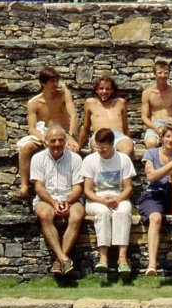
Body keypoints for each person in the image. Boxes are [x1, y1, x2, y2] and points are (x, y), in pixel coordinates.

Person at [29, 123, 84, 276]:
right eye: (53, 140)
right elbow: (39, 187)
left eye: (60, 140)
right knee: (45, 215)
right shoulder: (37, 158)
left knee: (77, 215)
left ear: (66, 141)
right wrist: (53, 202)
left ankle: (59, 259)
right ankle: (63, 259)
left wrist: (68, 201)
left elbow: (78, 187)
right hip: (46, 199)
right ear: (46, 142)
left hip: (70, 198)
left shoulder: (75, 159)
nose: (57, 144)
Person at [81, 127, 136, 277]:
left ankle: (122, 257)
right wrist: (102, 200)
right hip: (97, 198)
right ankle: (103, 256)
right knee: (103, 212)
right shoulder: (90, 160)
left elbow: (128, 188)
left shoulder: (123, 159)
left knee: (124, 211)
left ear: (112, 145)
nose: (100, 151)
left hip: (119, 197)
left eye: (104, 148)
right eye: (98, 147)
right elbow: (87, 190)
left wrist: (117, 199)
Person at [17, 67, 79, 197]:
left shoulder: (64, 94)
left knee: (74, 149)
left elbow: (74, 116)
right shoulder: (34, 103)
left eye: (57, 80)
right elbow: (32, 128)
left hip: (63, 132)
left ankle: (72, 188)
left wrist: (71, 136)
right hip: (43, 132)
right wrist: (43, 138)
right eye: (52, 81)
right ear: (43, 83)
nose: (56, 84)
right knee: (24, 148)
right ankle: (24, 185)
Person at [137, 125, 172, 275]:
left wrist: (166, 170)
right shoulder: (151, 153)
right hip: (153, 194)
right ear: (162, 138)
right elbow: (151, 177)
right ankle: (152, 264)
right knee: (155, 218)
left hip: (171, 194)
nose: (170, 140)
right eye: (168, 136)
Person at [78, 76, 135, 160]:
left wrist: (128, 141)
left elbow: (125, 128)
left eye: (107, 89)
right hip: (99, 135)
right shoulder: (90, 103)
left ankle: (120, 172)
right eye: (101, 88)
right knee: (98, 150)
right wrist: (79, 146)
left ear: (112, 90)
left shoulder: (120, 102)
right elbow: (85, 128)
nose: (104, 91)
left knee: (127, 149)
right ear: (96, 90)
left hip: (118, 135)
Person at [141, 60, 172, 149]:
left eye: (166, 73)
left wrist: (169, 126)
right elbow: (144, 117)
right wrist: (156, 128)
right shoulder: (147, 93)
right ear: (154, 74)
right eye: (160, 73)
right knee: (150, 142)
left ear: (169, 74)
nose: (163, 76)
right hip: (154, 125)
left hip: (171, 124)